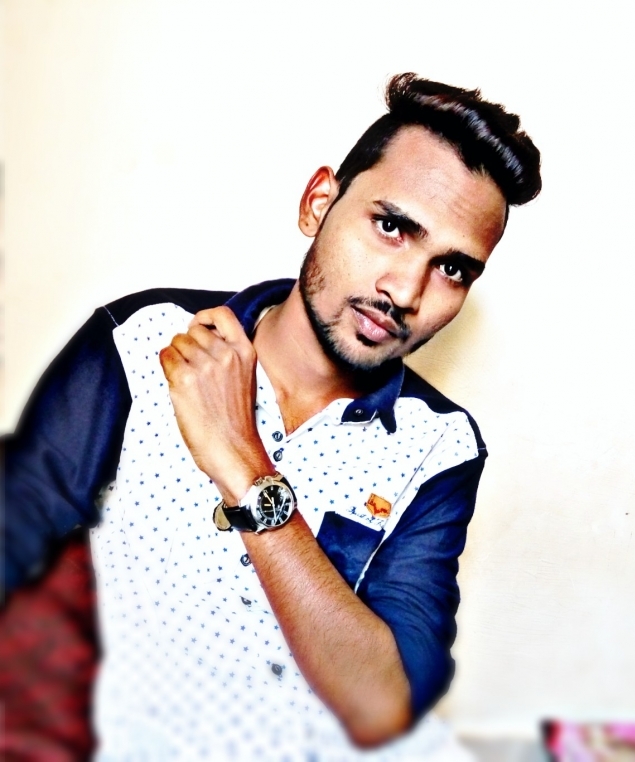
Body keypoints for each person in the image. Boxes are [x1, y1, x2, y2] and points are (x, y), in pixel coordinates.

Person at [2, 73, 541, 759]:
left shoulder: (439, 445)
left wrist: (244, 467)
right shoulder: (145, 341)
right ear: (319, 204)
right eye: (391, 227)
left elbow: (384, 709)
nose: (406, 291)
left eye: (454, 269)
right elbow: (13, 526)